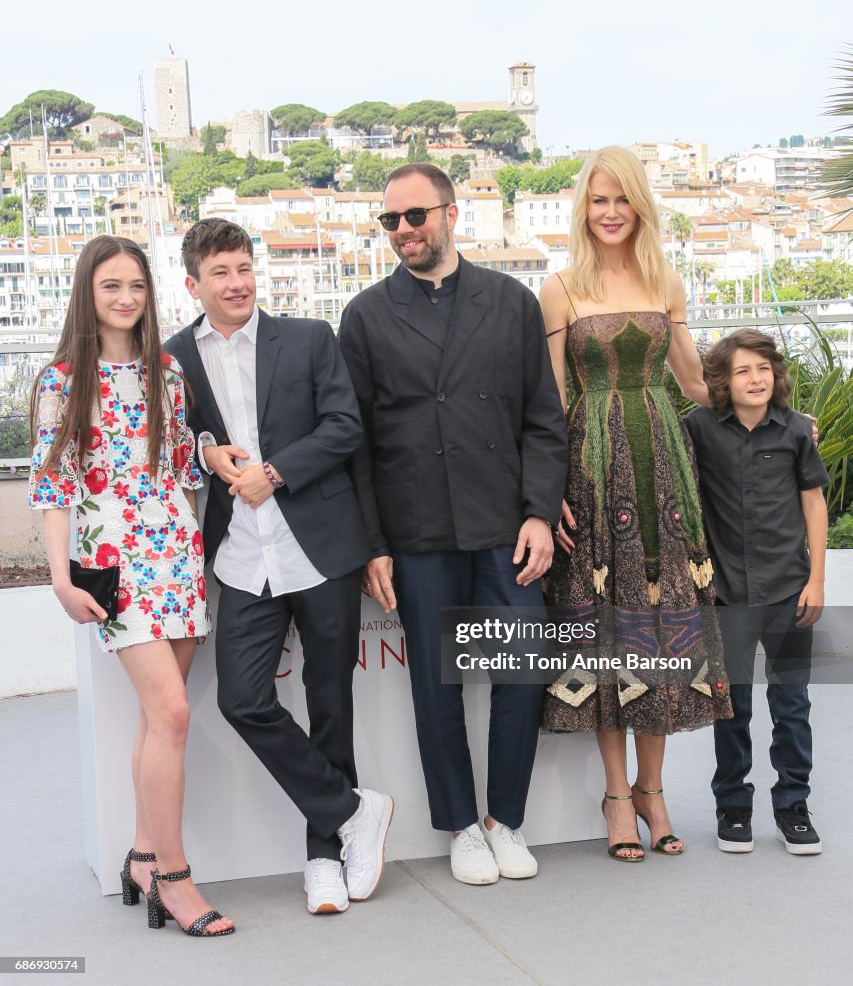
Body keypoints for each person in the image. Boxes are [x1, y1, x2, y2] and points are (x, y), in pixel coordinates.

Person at [338, 163, 567, 886]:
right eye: (390, 221)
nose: (403, 231)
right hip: (417, 529)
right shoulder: (366, 315)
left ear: (450, 214)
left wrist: (537, 512)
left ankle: (505, 818)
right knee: (435, 688)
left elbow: (542, 420)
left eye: (415, 216)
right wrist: (373, 544)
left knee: (520, 674)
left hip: (503, 522)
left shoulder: (509, 301)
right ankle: (462, 826)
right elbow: (359, 446)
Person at [165, 218, 393, 916]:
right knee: (243, 699)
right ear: (193, 284)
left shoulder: (307, 338)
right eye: (221, 274)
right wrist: (207, 450)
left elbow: (344, 425)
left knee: (331, 707)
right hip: (239, 558)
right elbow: (177, 436)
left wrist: (275, 472)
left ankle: (324, 858)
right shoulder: (174, 357)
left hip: (318, 547)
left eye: (243, 269)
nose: (237, 284)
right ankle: (353, 811)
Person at [29, 235, 233, 937]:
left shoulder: (167, 372)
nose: (125, 299)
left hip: (175, 553)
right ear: (88, 293)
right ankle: (175, 877)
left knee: (158, 719)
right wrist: (59, 578)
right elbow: (53, 488)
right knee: (173, 713)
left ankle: (144, 857)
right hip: (113, 567)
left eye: (136, 287)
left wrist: (209, 451)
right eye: (111, 286)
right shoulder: (60, 381)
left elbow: (182, 467)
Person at [538, 146, 732, 862]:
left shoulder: (665, 282)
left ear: (639, 207)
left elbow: (692, 382)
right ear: (582, 211)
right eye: (598, 201)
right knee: (605, 629)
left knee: (663, 624)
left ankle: (654, 791)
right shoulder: (558, 289)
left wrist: (771, 406)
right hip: (591, 472)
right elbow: (553, 398)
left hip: (663, 473)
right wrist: (550, 488)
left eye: (621, 200)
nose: (610, 213)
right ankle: (616, 795)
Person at [684, 329, 827, 855]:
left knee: (792, 706)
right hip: (728, 596)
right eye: (743, 370)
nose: (756, 379)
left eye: (763, 369)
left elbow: (814, 504)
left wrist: (816, 580)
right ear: (722, 380)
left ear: (776, 375)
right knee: (733, 707)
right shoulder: (697, 428)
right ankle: (733, 807)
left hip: (791, 591)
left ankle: (793, 806)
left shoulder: (794, 432)